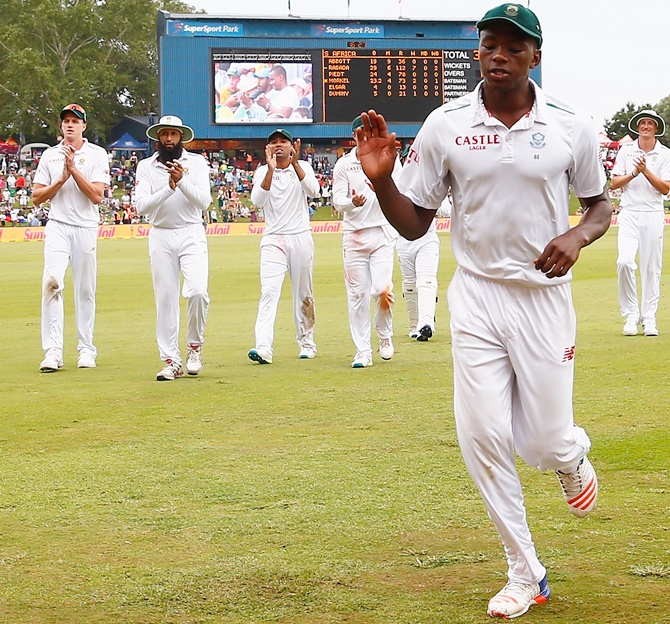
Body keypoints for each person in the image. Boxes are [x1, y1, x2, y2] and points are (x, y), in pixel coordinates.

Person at [356, 4, 612, 619]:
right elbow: (414, 226)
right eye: (489, 45)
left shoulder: (571, 127)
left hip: (544, 300)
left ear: (535, 57)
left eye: (513, 47)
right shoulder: (446, 125)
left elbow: (601, 206)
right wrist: (383, 181)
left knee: (544, 442)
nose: (498, 55)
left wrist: (575, 237)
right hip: (475, 296)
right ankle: (525, 572)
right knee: (482, 437)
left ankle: (570, 456)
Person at [33, 104, 109, 372]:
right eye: (66, 121)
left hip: (85, 226)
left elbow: (97, 196)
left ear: (83, 127)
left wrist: (74, 170)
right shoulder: (50, 156)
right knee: (51, 282)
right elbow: (37, 196)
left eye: (75, 121)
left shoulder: (97, 155)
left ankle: (86, 349)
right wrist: (62, 177)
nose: (70, 125)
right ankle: (53, 351)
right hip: (57, 225)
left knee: (85, 289)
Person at [135, 115, 212, 381]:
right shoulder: (146, 167)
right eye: (164, 134)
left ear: (181, 138)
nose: (169, 139)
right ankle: (171, 360)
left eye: (174, 134)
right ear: (158, 138)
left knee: (198, 291)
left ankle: (194, 347)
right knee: (166, 299)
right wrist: (169, 188)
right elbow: (141, 206)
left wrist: (181, 181)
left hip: (191, 231)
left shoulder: (197, 162)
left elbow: (204, 202)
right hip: (160, 235)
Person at [248, 128, 320, 364]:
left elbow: (314, 191)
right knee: (269, 291)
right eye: (274, 143)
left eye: (283, 142)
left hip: (300, 236)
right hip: (273, 238)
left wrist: (296, 165)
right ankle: (263, 347)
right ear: (267, 148)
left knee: (304, 294)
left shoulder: (304, 168)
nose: (278, 145)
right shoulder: (261, 172)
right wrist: (270, 170)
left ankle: (307, 343)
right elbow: (257, 202)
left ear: (292, 146)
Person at [332, 116, 399, 368]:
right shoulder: (345, 164)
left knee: (383, 290)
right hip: (354, 235)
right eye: (362, 133)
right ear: (354, 136)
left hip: (381, 232)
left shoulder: (389, 156)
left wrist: (383, 188)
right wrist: (353, 203)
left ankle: (384, 334)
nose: (367, 137)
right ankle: (362, 350)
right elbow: (338, 201)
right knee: (357, 295)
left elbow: (402, 189)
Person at [610, 109, 670, 337]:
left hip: (653, 213)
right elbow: (615, 183)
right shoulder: (626, 152)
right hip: (630, 212)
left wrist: (645, 171)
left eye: (650, 123)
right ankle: (631, 315)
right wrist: (635, 173)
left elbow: (665, 188)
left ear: (656, 128)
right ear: (638, 127)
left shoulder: (664, 154)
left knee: (651, 268)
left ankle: (650, 317)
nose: (645, 126)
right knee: (625, 261)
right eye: (642, 123)